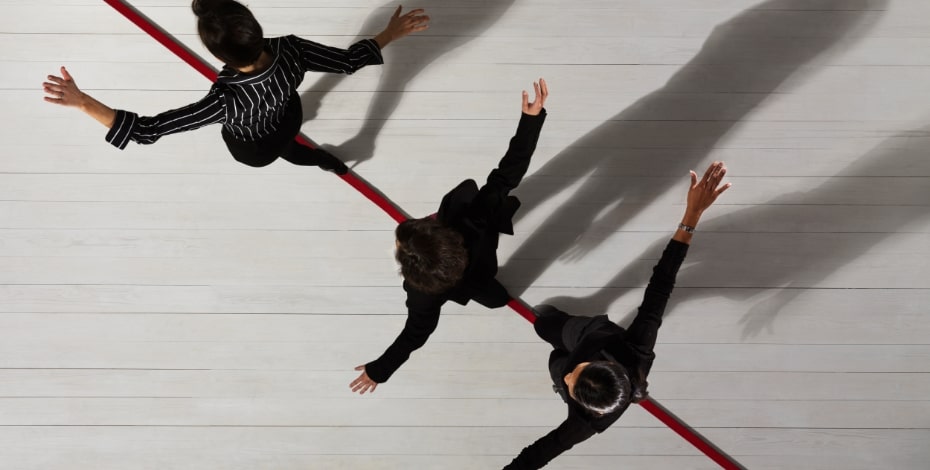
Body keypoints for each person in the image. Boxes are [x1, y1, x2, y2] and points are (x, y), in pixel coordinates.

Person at [504, 161, 732, 469]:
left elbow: (540, 453)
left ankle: (557, 341)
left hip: (579, 346)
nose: (570, 375)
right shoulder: (637, 349)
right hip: (584, 333)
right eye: (581, 369)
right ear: (607, 363)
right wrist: (692, 215)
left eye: (571, 383)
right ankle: (554, 324)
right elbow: (660, 286)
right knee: (544, 324)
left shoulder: (583, 424)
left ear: (586, 406)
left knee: (555, 358)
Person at [41, 0, 429, 174]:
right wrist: (388, 33)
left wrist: (81, 101)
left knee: (287, 153)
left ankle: (323, 162)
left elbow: (147, 130)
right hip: (290, 114)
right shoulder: (291, 49)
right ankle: (327, 161)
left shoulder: (225, 101)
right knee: (291, 142)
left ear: (219, 56)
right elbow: (347, 62)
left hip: (254, 147)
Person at [349, 79, 550, 394]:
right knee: (495, 295)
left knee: (495, 298)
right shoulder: (468, 218)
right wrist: (530, 120)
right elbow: (507, 175)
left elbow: (416, 332)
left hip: (477, 278)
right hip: (481, 265)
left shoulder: (421, 294)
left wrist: (381, 369)